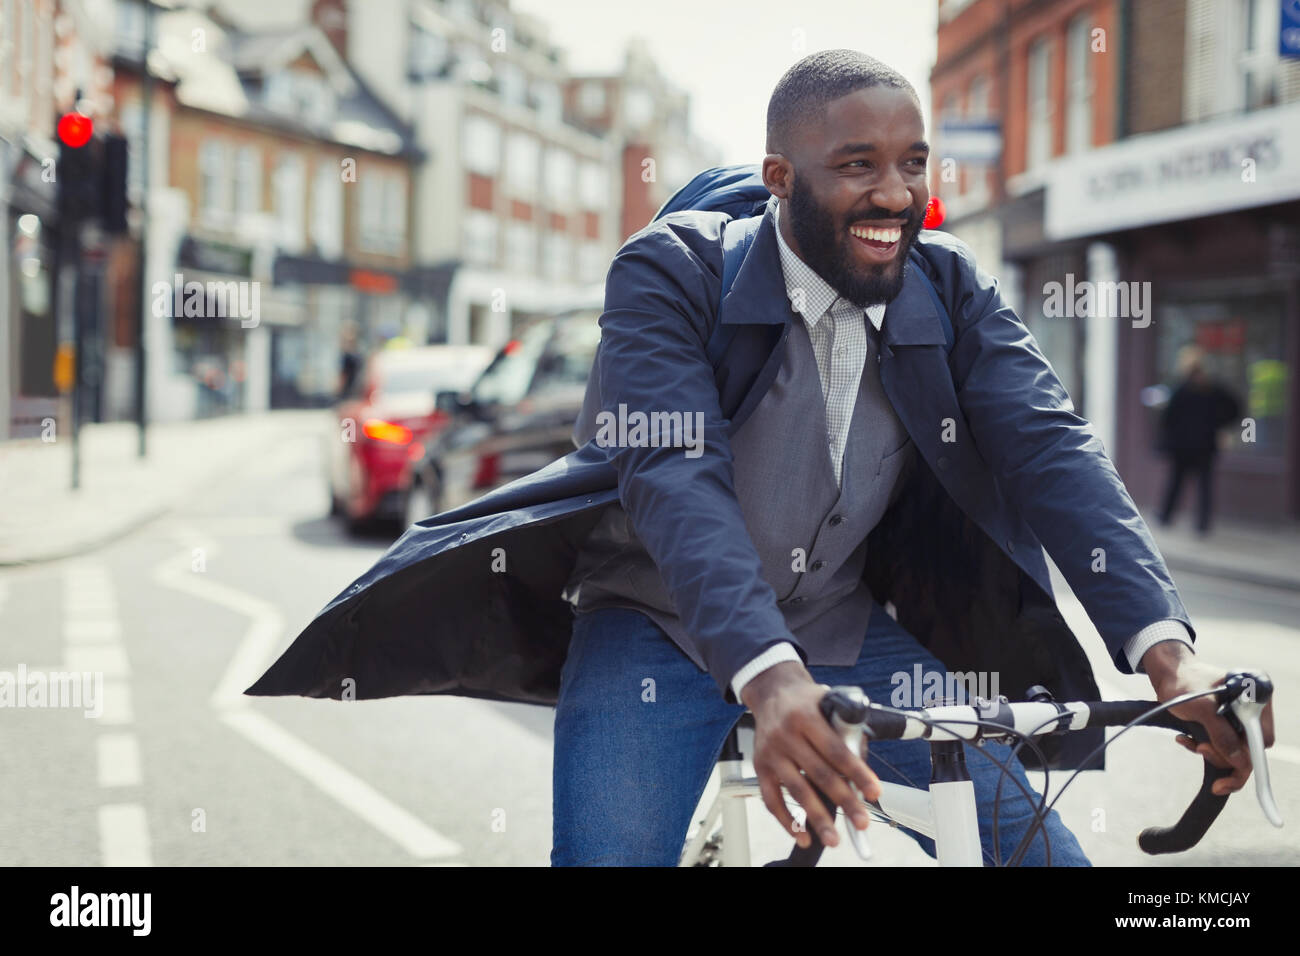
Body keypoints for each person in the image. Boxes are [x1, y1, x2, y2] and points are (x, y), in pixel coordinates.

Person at [246, 50, 1275, 868]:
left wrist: (1165, 652)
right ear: (781, 179)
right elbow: (673, 475)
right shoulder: (669, 273)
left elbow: (1052, 451)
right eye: (857, 165)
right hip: (660, 625)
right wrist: (767, 676)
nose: (895, 193)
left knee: (1037, 852)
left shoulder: (948, 284)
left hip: (840, 625)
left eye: (913, 161)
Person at [1157, 345, 1242, 535]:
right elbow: (1168, 420)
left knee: (1193, 485)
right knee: (1185, 484)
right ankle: (1174, 518)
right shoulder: (1186, 389)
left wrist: (1218, 423)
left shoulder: (1208, 389)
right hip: (1191, 447)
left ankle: (1188, 521)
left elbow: (1234, 408)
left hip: (1198, 446)